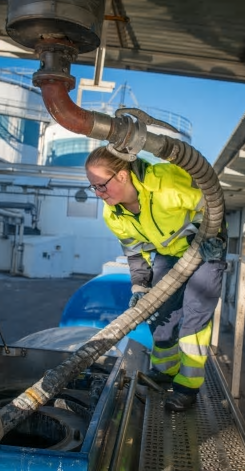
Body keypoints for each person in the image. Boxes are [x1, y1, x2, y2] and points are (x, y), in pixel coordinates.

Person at [85, 146, 226, 412]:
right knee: (161, 315)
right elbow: (135, 252)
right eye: (94, 188)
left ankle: (187, 387)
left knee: (194, 318)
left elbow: (213, 206)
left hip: (204, 249)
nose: (99, 194)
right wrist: (140, 286)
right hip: (168, 254)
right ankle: (165, 370)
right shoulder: (111, 214)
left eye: (101, 186)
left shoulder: (165, 184)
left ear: (123, 176)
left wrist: (216, 238)